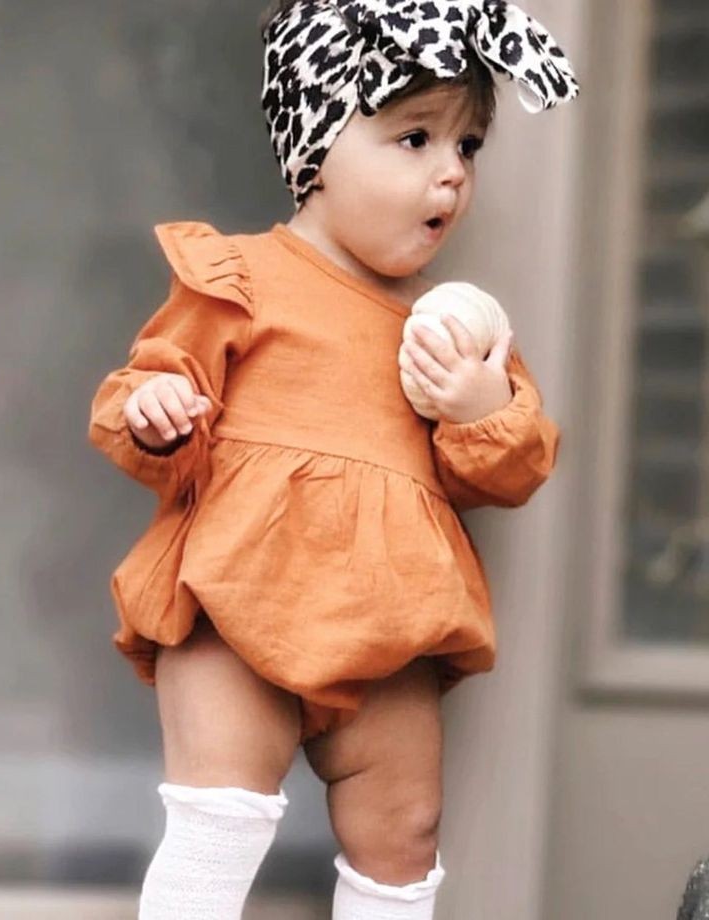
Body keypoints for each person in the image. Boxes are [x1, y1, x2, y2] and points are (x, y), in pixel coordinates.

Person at [88, 1, 579, 917]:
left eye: (469, 146)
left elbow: (510, 472)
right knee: (221, 816)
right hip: (239, 604)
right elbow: (148, 392)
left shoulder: (451, 330)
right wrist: (155, 414)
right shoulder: (240, 279)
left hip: (389, 627)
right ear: (315, 147)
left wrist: (478, 406)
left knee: (406, 834)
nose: (451, 173)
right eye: (415, 138)